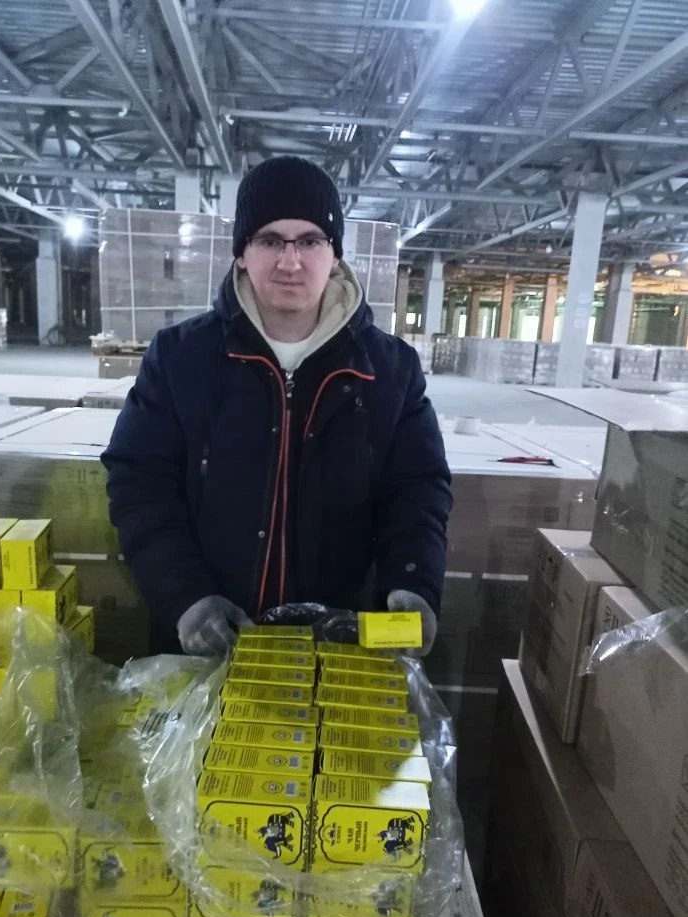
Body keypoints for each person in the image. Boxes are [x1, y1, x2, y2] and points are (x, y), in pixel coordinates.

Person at [102, 156, 452, 657]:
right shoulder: (180, 358)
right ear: (242, 253)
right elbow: (139, 482)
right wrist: (185, 597)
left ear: (335, 254)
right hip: (207, 648)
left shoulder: (390, 370)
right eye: (269, 240)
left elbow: (418, 488)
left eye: (310, 241)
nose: (291, 262)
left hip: (340, 649)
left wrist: (413, 581)